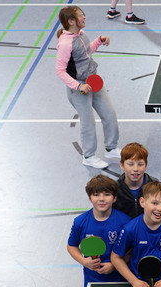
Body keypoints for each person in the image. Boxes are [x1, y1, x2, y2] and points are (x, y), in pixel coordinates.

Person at [55, 6, 120, 169]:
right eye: (80, 15)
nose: (84, 17)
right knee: (88, 123)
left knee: (109, 113)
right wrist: (78, 86)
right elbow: (60, 70)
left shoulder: (81, 34)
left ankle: (111, 148)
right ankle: (89, 157)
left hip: (93, 81)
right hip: (79, 89)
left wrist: (98, 41)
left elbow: (85, 53)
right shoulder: (65, 43)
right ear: (71, 21)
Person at [67, 175, 131, 287]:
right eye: (96, 194)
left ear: (115, 198)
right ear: (90, 198)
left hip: (121, 279)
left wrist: (114, 265)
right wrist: (84, 261)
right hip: (92, 281)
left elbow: (131, 250)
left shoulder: (125, 222)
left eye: (107, 194)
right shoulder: (80, 222)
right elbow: (71, 246)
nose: (101, 199)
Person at [113, 142, 157, 218]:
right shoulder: (114, 189)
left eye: (140, 164)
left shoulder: (155, 187)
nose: (136, 169)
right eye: (130, 164)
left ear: (146, 166)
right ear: (122, 165)